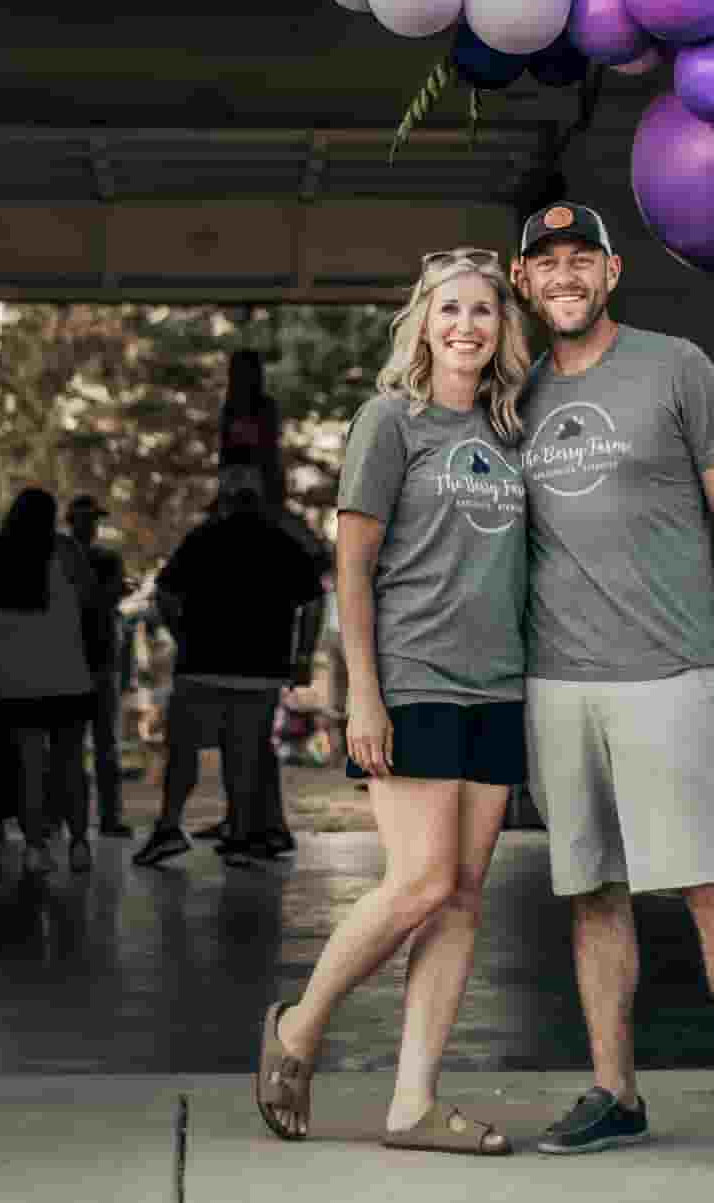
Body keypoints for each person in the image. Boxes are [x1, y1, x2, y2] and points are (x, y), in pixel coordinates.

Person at [509, 201, 714, 1180]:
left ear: (611, 272)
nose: (564, 275)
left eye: (580, 258)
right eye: (545, 263)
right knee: (592, 890)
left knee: (713, 884)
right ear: (523, 283)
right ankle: (614, 1088)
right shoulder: (516, 397)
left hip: (668, 672)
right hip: (557, 683)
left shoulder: (677, 366)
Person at [255, 247, 532, 1154]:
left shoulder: (511, 430)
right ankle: (298, 1028)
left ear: (502, 328)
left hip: (498, 686)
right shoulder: (390, 422)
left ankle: (413, 1103)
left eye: (484, 312)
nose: (466, 326)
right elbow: (353, 565)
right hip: (411, 678)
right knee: (418, 879)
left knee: (460, 897)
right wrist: (360, 694)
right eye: (449, 309)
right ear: (423, 323)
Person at [135, 465, 320, 870]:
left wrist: (181, 631)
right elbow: (313, 600)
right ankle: (239, 835)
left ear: (225, 503)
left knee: (182, 751)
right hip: (260, 669)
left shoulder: (204, 539)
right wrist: (302, 655)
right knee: (244, 754)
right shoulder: (282, 543)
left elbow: (164, 592)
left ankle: (168, 827)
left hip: (201, 662)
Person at [0, 486, 101, 877]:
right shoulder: (66, 553)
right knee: (70, 765)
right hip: (67, 677)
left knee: (30, 766)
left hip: (15, 682)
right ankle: (79, 844)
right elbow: (92, 602)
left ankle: (35, 848)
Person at [66, 494, 134, 838]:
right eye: (89, 520)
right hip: (100, 660)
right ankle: (109, 818)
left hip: (74, 661)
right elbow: (105, 597)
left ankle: (68, 819)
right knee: (104, 745)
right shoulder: (106, 559)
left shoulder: (59, 560)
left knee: (73, 746)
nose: (91, 526)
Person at [219, 347, 286, 508]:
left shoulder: (266, 406)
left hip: (260, 476)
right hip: (235, 476)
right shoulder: (230, 408)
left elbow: (269, 448)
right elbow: (226, 450)